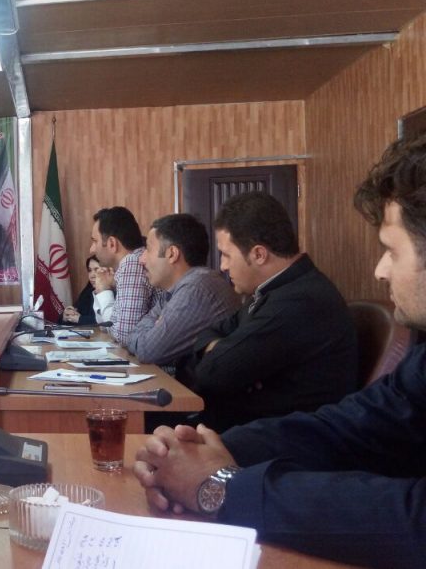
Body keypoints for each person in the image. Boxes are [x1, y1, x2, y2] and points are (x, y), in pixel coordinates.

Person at [133, 134, 426, 568]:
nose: (379, 270)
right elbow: (352, 426)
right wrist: (211, 454)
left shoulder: (302, 299)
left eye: (391, 250)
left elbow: (414, 519)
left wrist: (221, 486)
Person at [174, 191, 357, 430]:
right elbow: (209, 334)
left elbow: (211, 374)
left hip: (277, 438)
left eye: (226, 255)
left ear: (259, 254)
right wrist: (221, 349)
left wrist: (222, 353)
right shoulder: (274, 290)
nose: (223, 266)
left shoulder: (298, 301)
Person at [125, 214, 239, 374]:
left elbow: (148, 350)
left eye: (148, 250)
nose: (141, 259)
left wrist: (151, 332)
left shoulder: (196, 287)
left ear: (172, 254)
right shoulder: (178, 288)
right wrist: (150, 331)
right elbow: (133, 335)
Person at [89, 206, 161, 343]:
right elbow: (105, 326)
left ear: (112, 244)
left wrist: (104, 291)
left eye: (95, 241)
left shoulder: (132, 263)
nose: (91, 249)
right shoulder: (127, 265)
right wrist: (104, 290)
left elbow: (125, 335)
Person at [62, 255, 101, 325]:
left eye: (96, 270)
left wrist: (80, 319)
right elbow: (76, 311)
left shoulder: (115, 293)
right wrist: (66, 316)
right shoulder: (88, 292)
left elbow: (108, 322)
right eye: (89, 270)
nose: (92, 276)